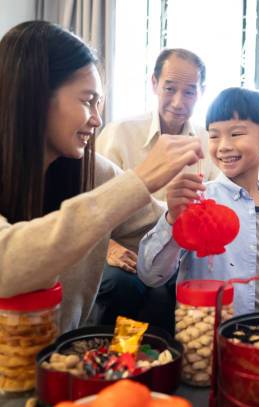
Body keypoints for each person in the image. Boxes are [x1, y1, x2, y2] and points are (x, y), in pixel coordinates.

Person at [0, 21, 202, 373]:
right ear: (33, 95)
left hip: (60, 364)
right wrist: (139, 180)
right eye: (88, 101)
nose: (97, 119)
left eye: (100, 104)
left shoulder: (94, 171)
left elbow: (159, 237)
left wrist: (179, 216)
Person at [137, 88, 259, 315]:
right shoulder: (199, 202)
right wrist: (172, 218)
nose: (223, 146)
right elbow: (151, 274)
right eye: (214, 135)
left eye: (236, 134)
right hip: (208, 334)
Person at [93, 49, 219, 328]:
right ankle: (113, 363)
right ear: (154, 83)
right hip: (125, 250)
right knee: (121, 284)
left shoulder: (208, 141)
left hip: (179, 254)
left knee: (182, 289)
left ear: (202, 92)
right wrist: (108, 247)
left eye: (189, 92)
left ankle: (168, 364)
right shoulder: (120, 133)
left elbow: (217, 205)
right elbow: (94, 203)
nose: (178, 102)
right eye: (170, 89)